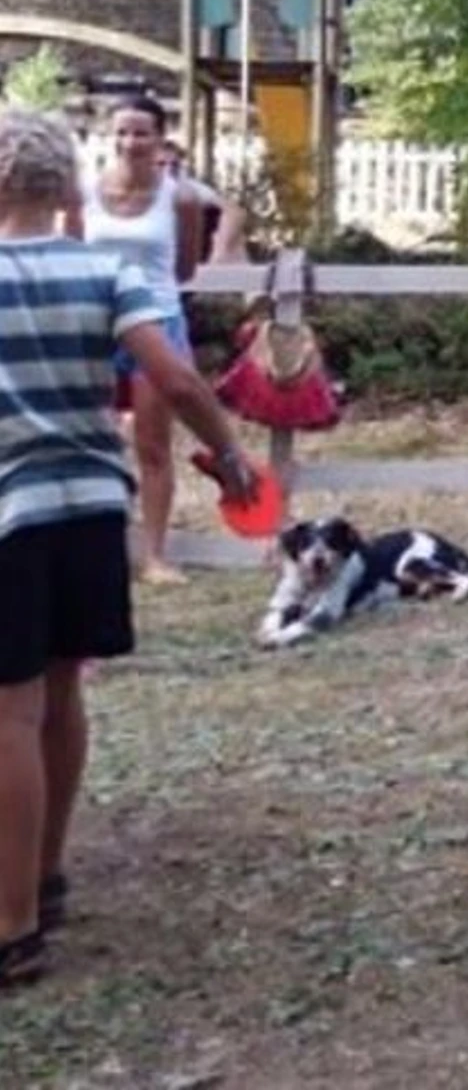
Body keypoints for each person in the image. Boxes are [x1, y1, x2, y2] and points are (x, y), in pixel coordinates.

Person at [0, 108, 257, 990]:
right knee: (63, 691)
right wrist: (231, 459)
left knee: (10, 714)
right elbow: (176, 377)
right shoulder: (105, 269)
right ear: (63, 185)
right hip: (88, 510)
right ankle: (44, 876)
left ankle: (12, 928)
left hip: (9, 512)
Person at [71, 96, 245, 586]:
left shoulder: (181, 198)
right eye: (121, 132)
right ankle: (98, 551)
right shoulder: (84, 190)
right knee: (92, 440)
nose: (130, 142)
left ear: (160, 138)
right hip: (96, 324)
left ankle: (154, 556)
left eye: (141, 133)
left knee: (152, 444)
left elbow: (185, 269)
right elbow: (72, 253)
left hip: (157, 322)